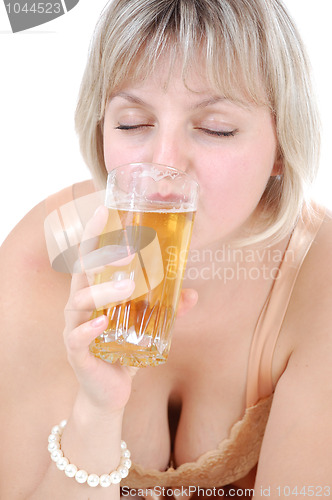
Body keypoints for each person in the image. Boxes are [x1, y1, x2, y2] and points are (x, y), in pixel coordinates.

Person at [0, 0, 331, 498]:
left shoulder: (319, 275)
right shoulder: (46, 258)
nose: (164, 166)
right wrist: (97, 411)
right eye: (133, 123)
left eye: (216, 128)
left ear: (281, 148)